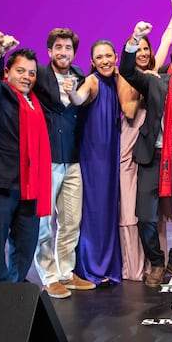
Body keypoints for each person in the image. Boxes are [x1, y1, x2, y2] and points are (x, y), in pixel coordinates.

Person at [120, 22, 172, 288]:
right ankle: (157, 263)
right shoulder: (156, 83)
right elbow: (126, 70)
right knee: (145, 217)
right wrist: (135, 37)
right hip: (153, 159)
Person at [0, 32, 52, 282]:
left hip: (29, 184)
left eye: (31, 73)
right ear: (7, 73)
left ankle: (16, 292)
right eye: (20, 71)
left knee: (27, 243)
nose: (26, 77)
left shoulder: (36, 103)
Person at [31, 28, 96, 299]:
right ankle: (48, 276)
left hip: (72, 159)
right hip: (46, 160)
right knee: (45, 223)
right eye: (58, 47)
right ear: (49, 52)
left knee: (71, 222)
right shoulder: (39, 75)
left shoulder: (80, 76)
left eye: (68, 48)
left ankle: (66, 273)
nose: (63, 52)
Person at [118, 0, 172, 281]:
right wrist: (147, 89)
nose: (143, 53)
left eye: (146, 49)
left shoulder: (155, 72)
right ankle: (135, 263)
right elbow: (129, 110)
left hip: (158, 142)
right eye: (138, 49)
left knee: (156, 207)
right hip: (133, 139)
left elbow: (167, 40)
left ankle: (158, 260)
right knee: (133, 207)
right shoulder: (131, 76)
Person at [67, 40, 123, 285]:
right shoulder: (92, 80)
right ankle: (92, 266)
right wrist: (71, 93)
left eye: (108, 56)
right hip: (94, 157)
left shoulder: (116, 81)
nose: (105, 61)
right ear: (92, 62)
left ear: (116, 57)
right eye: (99, 57)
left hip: (111, 152)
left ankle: (108, 264)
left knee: (109, 209)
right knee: (95, 209)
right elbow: (79, 99)